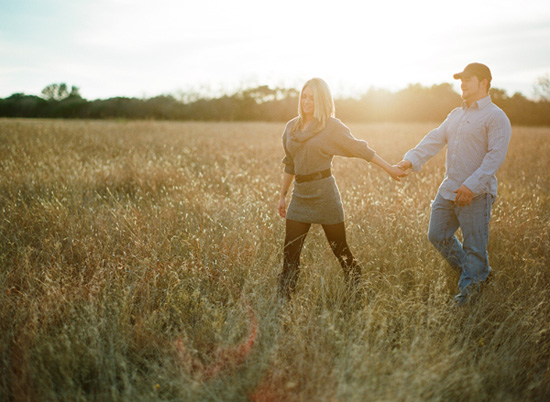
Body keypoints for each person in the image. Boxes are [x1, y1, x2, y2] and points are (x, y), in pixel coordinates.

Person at [277, 77, 405, 301]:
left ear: (322, 100)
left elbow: (360, 149)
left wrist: (389, 168)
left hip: (325, 195)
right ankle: (283, 301)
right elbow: (290, 163)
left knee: (341, 251)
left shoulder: (331, 126)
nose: (307, 102)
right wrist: (282, 195)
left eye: (312, 98)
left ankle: (356, 290)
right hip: (300, 195)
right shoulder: (291, 127)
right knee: (290, 254)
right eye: (304, 97)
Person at [397, 63, 512, 306]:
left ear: (484, 83)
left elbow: (495, 156)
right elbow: (435, 139)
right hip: (449, 190)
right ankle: (477, 274)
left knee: (474, 247)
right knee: (437, 234)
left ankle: (466, 299)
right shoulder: (456, 114)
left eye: (467, 79)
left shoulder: (496, 116)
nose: (462, 84)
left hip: (476, 195)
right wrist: (410, 160)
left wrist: (471, 186)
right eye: (461, 79)